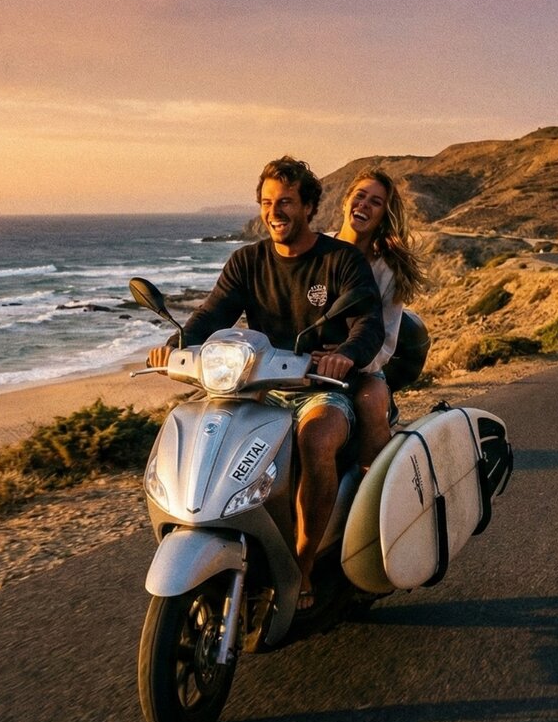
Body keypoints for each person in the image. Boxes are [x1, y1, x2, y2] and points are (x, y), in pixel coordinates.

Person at [147, 156, 383, 610]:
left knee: (315, 438)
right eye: (267, 202)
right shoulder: (247, 261)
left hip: (320, 387)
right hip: (257, 383)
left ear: (310, 206)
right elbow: (210, 315)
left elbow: (367, 325)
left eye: (287, 202)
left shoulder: (341, 261)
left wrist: (344, 356)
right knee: (205, 426)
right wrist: (174, 345)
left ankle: (303, 565)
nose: (275, 212)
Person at [333, 170, 427, 466]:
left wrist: (350, 360)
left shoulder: (386, 270)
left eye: (375, 202)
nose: (364, 205)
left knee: (371, 402)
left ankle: (372, 489)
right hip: (304, 362)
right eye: (359, 196)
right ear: (346, 201)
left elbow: (386, 342)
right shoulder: (316, 249)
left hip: (360, 367)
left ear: (383, 215)